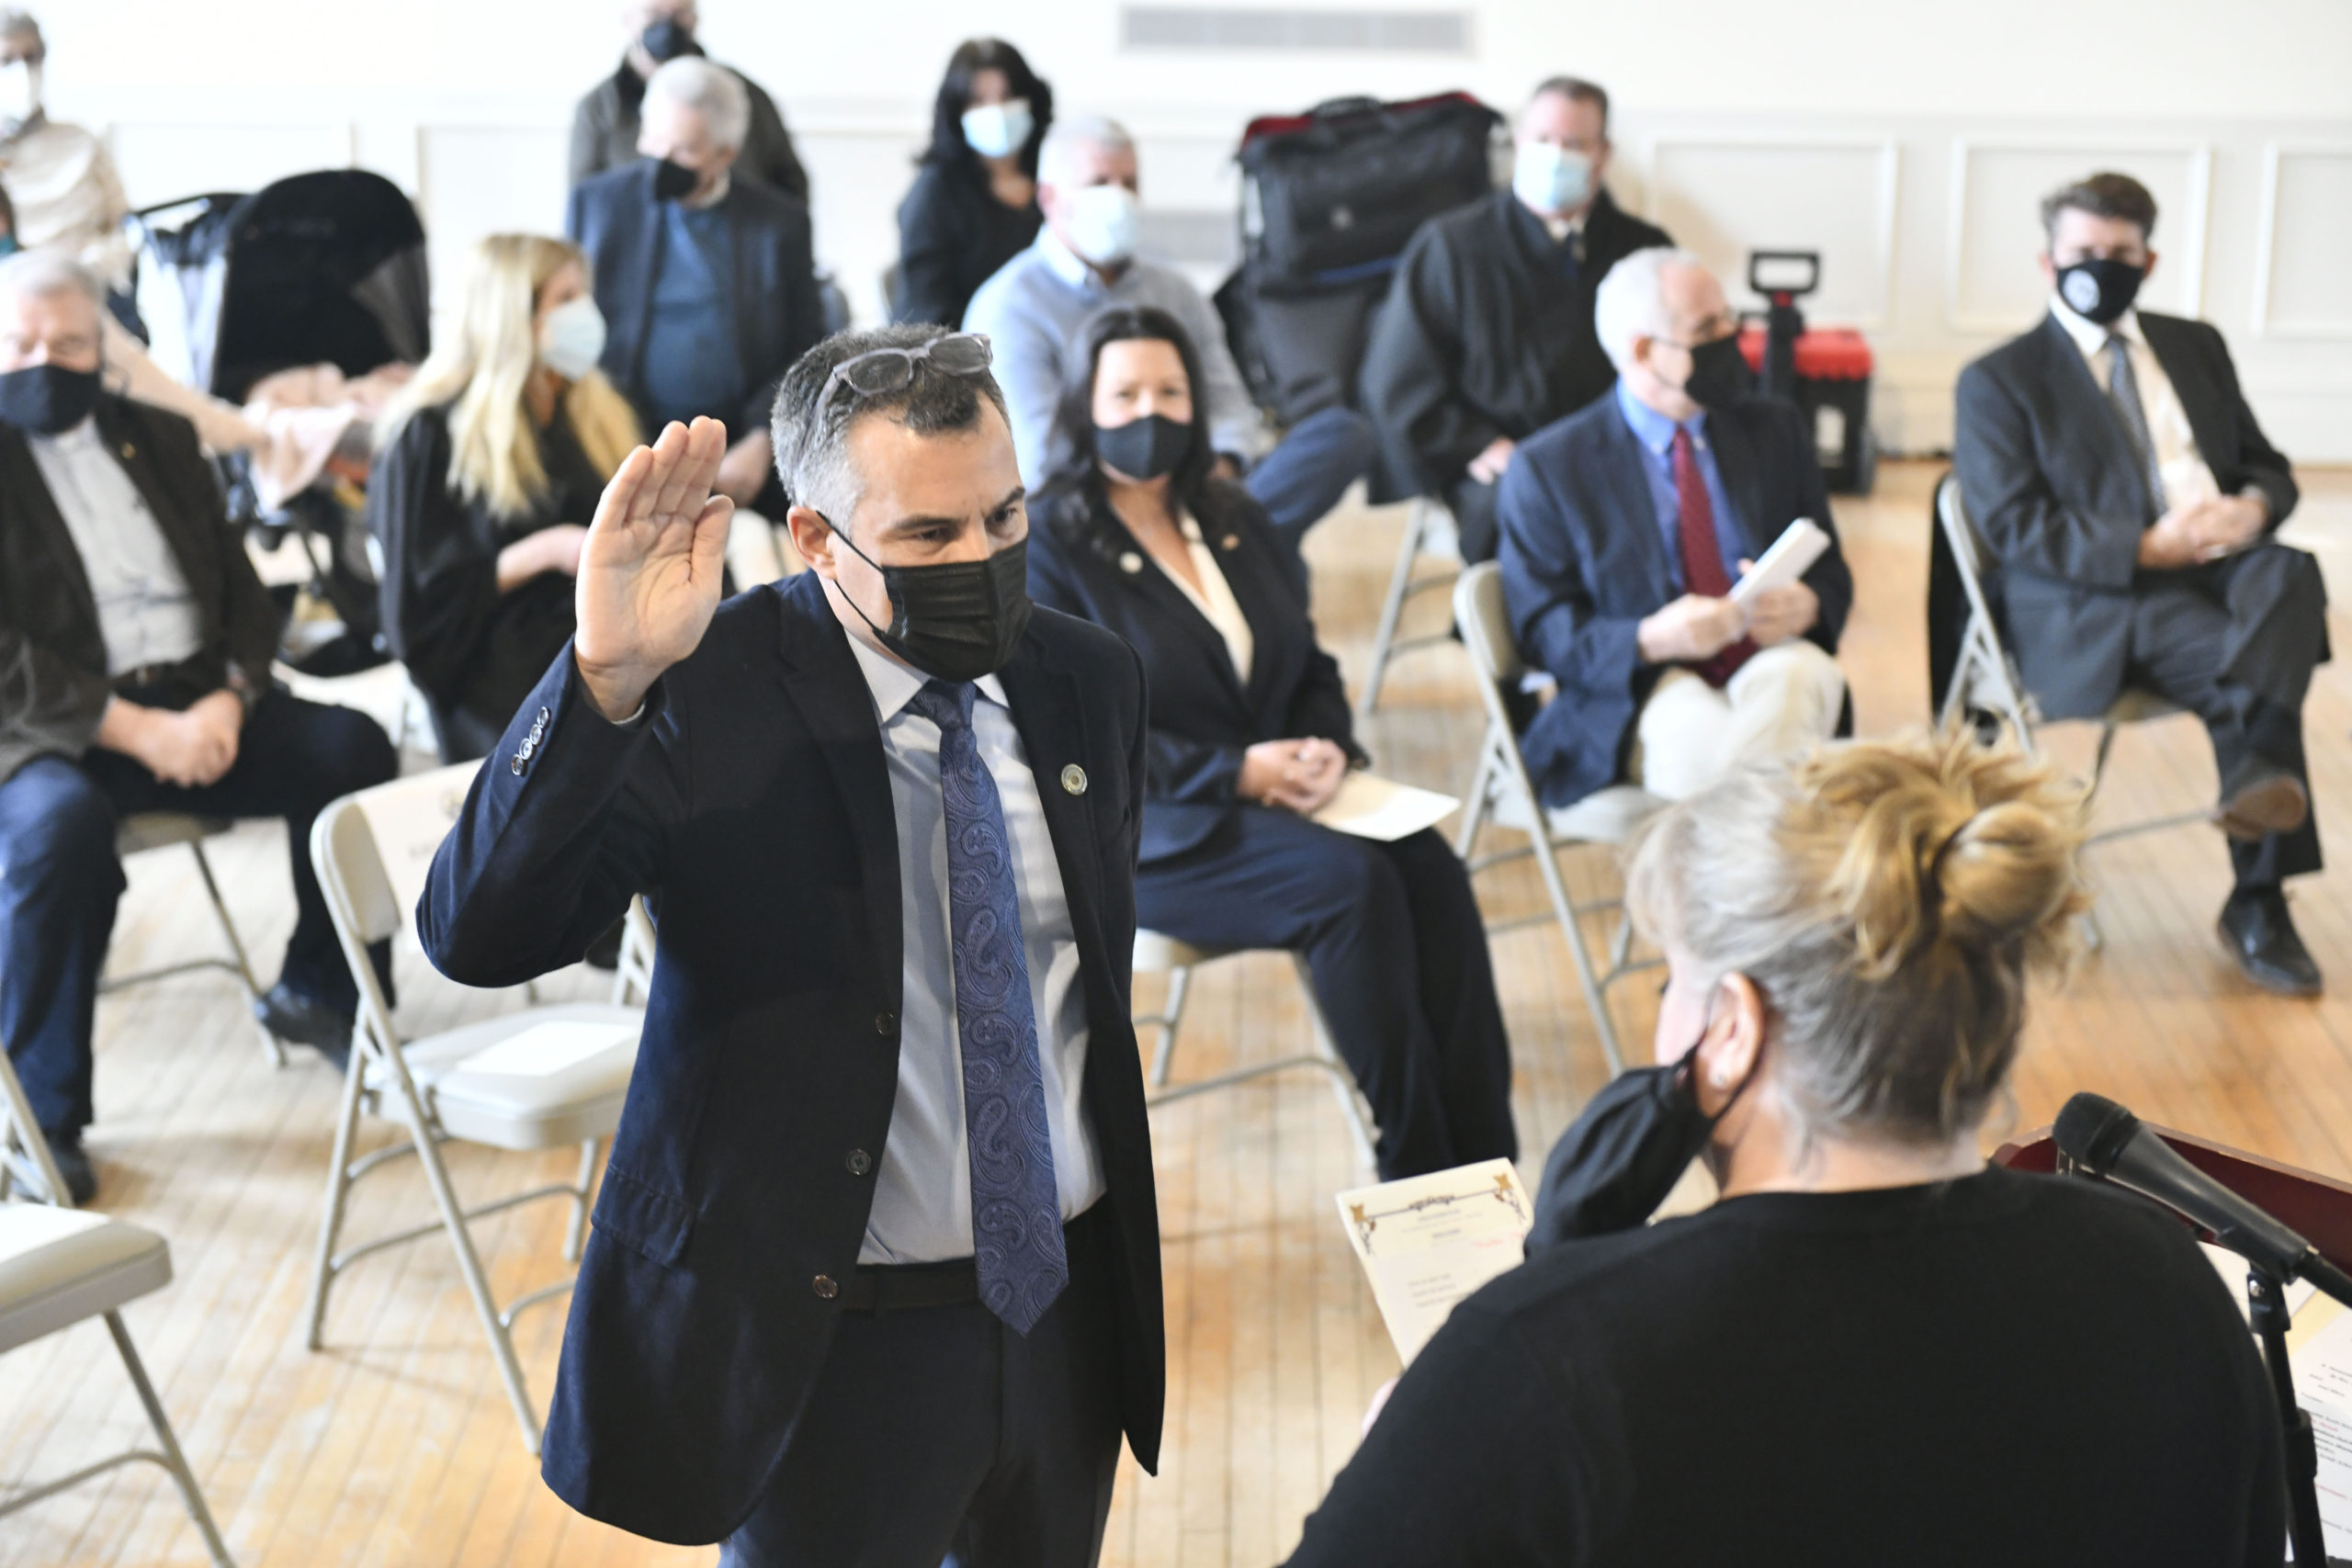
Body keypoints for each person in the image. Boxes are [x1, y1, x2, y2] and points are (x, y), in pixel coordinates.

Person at [417, 323, 1162, 1566]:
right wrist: (603, 680)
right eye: (929, 537)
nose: (980, 557)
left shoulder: (1084, 674)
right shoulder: (702, 690)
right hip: (829, 1335)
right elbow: (480, 932)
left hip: (1062, 1310)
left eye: (1003, 517)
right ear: (814, 536)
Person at [1283, 729, 2285, 1567]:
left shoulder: (1540, 1363)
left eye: (1674, 982)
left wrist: (1409, 1443)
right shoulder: (2159, 1277)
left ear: (1731, 1027)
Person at [1027, 305, 1515, 1180]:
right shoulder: (1052, 544)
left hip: (1279, 796)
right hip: (1145, 825)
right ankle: (1418, 1167)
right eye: (1126, 392)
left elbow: (1306, 661)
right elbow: (1075, 733)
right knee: (1349, 884)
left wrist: (1326, 743)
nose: (1151, 412)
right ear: (1082, 406)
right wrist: (1238, 771)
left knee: (1432, 868)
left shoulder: (1233, 515)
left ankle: (1489, 1162)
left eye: (1170, 391)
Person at [0, 254, 399, 1201]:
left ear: (106, 353)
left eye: (68, 343)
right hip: (55, 730)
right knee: (57, 833)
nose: (43, 360)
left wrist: (229, 691)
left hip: (198, 698)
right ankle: (41, 1119)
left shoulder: (161, 437)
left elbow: (241, 593)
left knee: (352, 750)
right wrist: (133, 729)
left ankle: (324, 993)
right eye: (19, 344)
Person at [1954, 172, 2324, 997]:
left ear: (2149, 259)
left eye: (2119, 253)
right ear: (2048, 261)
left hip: (2224, 564)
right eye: (2084, 251)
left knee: (2293, 573)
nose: (2100, 266)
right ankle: (2261, 901)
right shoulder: (1999, 379)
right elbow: (2015, 526)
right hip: (2102, 598)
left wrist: (2253, 507)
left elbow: (2269, 467)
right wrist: (2147, 546)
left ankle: (2254, 785)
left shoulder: (2195, 344)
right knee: (2251, 667)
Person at [1498, 247, 1851, 809]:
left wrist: (1806, 604)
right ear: (1643, 350)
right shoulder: (1550, 468)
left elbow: (1832, 574)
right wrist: (1652, 638)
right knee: (1709, 751)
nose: (1732, 334)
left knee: (1804, 678)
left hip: (1763, 652)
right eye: (1707, 327)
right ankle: (1767, 881)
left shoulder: (1773, 429)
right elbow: (1545, 632)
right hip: (1641, 684)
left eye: (1729, 318)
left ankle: (1725, 884)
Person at [964, 115, 1376, 570]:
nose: (1118, 197)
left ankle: (1220, 548)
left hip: (1201, 482)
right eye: (1100, 182)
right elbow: (1040, 460)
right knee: (1271, 556)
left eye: (1129, 183)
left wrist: (1210, 479)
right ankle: (1235, 554)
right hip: (1092, 515)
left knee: (1341, 434)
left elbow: (1226, 402)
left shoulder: (1174, 289)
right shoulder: (1007, 307)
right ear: (1049, 197)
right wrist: (1146, 497)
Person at [1360, 76, 1671, 563]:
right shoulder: (1452, 246)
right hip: (1502, 460)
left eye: (1573, 144)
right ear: (1520, 143)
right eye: (1543, 140)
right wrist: (1478, 445)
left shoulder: (1644, 250)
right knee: (1525, 511)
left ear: (1603, 154)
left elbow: (1674, 364)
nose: (1555, 153)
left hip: (1618, 452)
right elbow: (1398, 383)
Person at [370, 234, 642, 762]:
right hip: (495, 658)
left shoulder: (590, 410)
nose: (585, 313)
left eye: (583, 295)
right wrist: (546, 551)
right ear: (513, 317)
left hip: (598, 629)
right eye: (565, 299)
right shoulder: (428, 435)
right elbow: (417, 615)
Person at [568, 56, 824, 515]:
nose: (661, 162)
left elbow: (806, 346)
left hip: (744, 444)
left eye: (684, 151)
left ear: (726, 153)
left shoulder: (779, 223)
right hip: (621, 432)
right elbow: (572, 329)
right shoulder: (599, 205)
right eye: (653, 141)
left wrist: (762, 440)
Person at [570, 0, 808, 204]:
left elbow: (790, 187)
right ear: (629, 20)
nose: (667, 25)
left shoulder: (744, 95)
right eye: (654, 14)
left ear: (694, 20)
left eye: (680, 14)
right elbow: (585, 200)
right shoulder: (599, 107)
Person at [892, 39, 1051, 333]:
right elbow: (925, 314)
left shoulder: (1055, 173)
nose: (998, 111)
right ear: (957, 112)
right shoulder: (934, 194)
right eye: (979, 101)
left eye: (1008, 96)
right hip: (968, 359)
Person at [0, 10, 133, 296]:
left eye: (31, 57)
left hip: (88, 289)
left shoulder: (82, 142)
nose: (22, 71)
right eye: (7, 60)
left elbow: (127, 226)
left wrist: (91, 270)